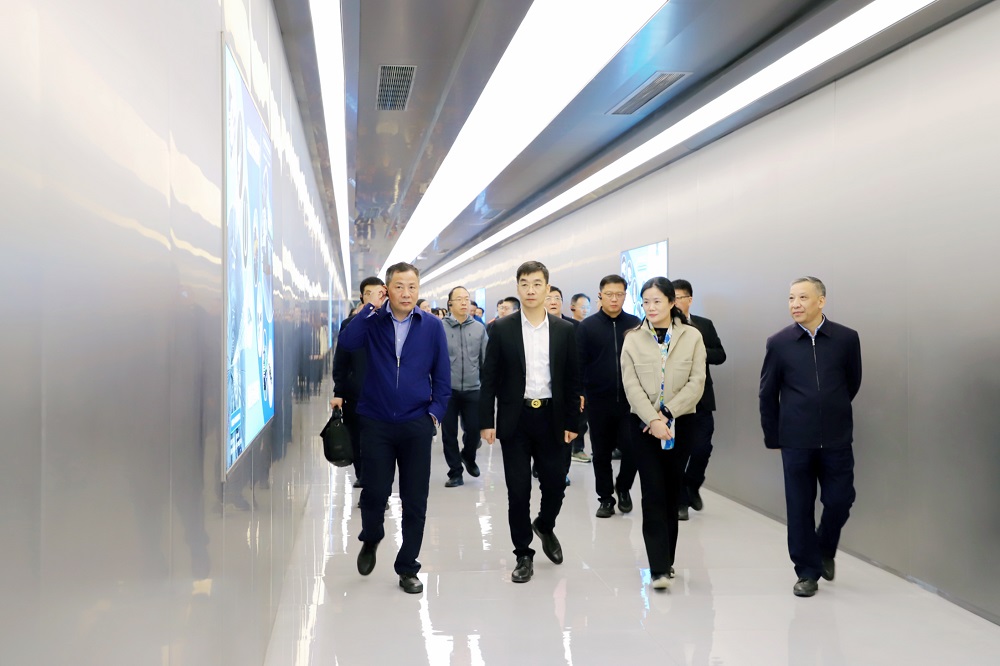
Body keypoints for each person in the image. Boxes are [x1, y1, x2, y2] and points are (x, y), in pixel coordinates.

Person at [338, 262, 451, 595]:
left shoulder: (431, 326)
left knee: (415, 499)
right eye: (399, 287)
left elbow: (442, 376)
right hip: (376, 421)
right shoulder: (372, 321)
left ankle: (408, 566)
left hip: (416, 423)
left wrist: (434, 415)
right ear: (387, 290)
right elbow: (347, 342)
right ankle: (371, 536)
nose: (406, 293)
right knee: (375, 492)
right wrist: (368, 309)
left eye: (412, 287)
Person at [759, 276, 861, 598]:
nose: (795, 304)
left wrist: (833, 409)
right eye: (791, 298)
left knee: (840, 499)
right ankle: (806, 572)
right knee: (799, 507)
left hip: (836, 437)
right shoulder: (779, 343)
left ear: (821, 300)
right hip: (796, 439)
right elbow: (767, 393)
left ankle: (825, 546)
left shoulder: (846, 338)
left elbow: (852, 383)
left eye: (803, 297)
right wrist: (774, 436)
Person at [480, 261, 582, 584]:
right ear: (518, 288)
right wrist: (486, 420)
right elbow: (489, 378)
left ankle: (545, 524)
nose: (531, 290)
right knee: (518, 489)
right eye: (524, 284)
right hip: (516, 419)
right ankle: (523, 553)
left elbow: (574, 380)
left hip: (553, 418)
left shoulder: (564, 330)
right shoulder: (501, 329)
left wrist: (574, 421)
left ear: (547, 288)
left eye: (537, 284)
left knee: (556, 483)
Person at [620, 277, 706, 590]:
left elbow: (697, 381)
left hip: (681, 423)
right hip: (644, 426)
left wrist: (667, 414)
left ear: (671, 302)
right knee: (653, 492)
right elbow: (631, 385)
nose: (651, 307)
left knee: (671, 492)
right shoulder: (633, 338)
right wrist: (653, 419)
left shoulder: (692, 336)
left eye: (657, 301)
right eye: (646, 302)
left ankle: (667, 561)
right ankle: (657, 568)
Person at [576, 275, 641, 518]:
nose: (614, 299)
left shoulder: (635, 324)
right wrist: (580, 392)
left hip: (630, 401)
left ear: (625, 296)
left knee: (632, 449)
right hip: (598, 400)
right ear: (600, 296)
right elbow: (579, 363)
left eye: (619, 294)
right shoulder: (587, 327)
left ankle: (623, 487)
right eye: (609, 294)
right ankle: (605, 498)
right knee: (601, 453)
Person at [671, 279, 727, 520]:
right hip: (674, 400)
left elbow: (720, 355)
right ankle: (680, 502)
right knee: (678, 453)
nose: (675, 302)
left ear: (689, 299)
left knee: (703, 448)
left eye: (679, 297)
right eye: (671, 298)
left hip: (702, 398)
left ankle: (691, 485)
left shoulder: (704, 325)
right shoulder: (663, 326)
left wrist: (698, 350)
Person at [330, 276, 385, 490]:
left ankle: (377, 486)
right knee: (357, 439)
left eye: (379, 293)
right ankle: (363, 477)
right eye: (369, 294)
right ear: (362, 297)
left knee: (379, 442)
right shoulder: (350, 325)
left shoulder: (390, 323)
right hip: (356, 395)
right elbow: (341, 361)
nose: (374, 298)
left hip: (383, 396)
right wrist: (339, 391)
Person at [441, 286, 488, 487]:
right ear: (450, 303)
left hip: (473, 388)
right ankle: (455, 472)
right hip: (447, 390)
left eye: (466, 299)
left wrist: (487, 387)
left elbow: (485, 359)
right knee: (449, 433)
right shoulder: (439, 328)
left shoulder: (479, 328)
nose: (463, 302)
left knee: (474, 430)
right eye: (459, 299)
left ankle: (468, 456)